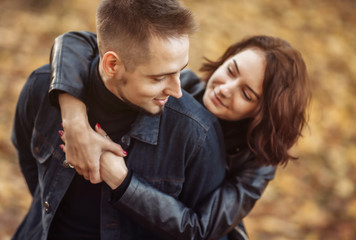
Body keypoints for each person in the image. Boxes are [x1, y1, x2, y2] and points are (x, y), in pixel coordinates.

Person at [49, 31, 311, 239]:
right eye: (231, 71)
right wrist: (74, 120)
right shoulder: (179, 85)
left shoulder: (257, 164)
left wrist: (121, 179)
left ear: (261, 114)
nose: (225, 89)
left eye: (246, 94)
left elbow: (200, 229)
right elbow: (76, 42)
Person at [11, 0, 228, 239]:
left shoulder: (195, 132)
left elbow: (204, 232)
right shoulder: (42, 87)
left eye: (180, 70)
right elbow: (29, 164)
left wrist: (125, 185)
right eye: (160, 77)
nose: (177, 90)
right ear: (112, 64)